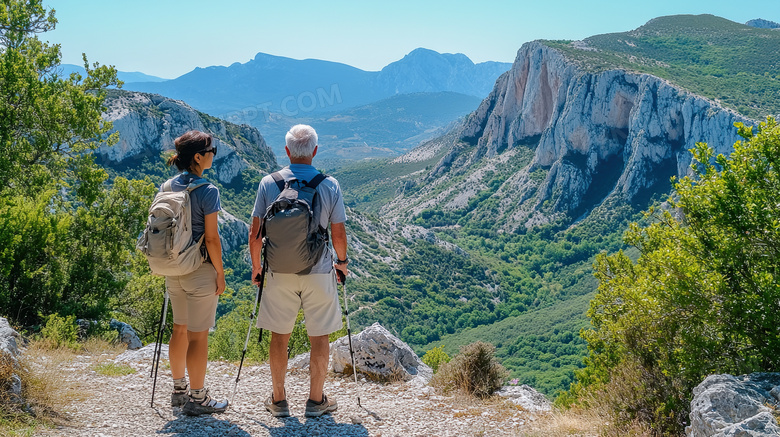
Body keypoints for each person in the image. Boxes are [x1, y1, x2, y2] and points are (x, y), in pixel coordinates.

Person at [249, 124, 348, 418]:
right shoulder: (330, 185)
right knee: (320, 337)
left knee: (279, 336)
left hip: (278, 271)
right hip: (318, 270)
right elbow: (339, 235)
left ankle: (279, 400)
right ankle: (316, 401)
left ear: (288, 151)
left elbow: (255, 234)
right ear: (315, 151)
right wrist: (341, 264)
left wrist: (257, 269)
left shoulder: (268, 183)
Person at [163, 130, 229, 416]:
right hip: (199, 269)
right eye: (211, 150)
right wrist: (220, 273)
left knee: (179, 328)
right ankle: (199, 398)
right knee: (198, 335)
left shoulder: (167, 186)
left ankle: (179, 390)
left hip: (173, 268)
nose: (214, 154)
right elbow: (212, 239)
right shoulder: (207, 190)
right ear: (198, 157)